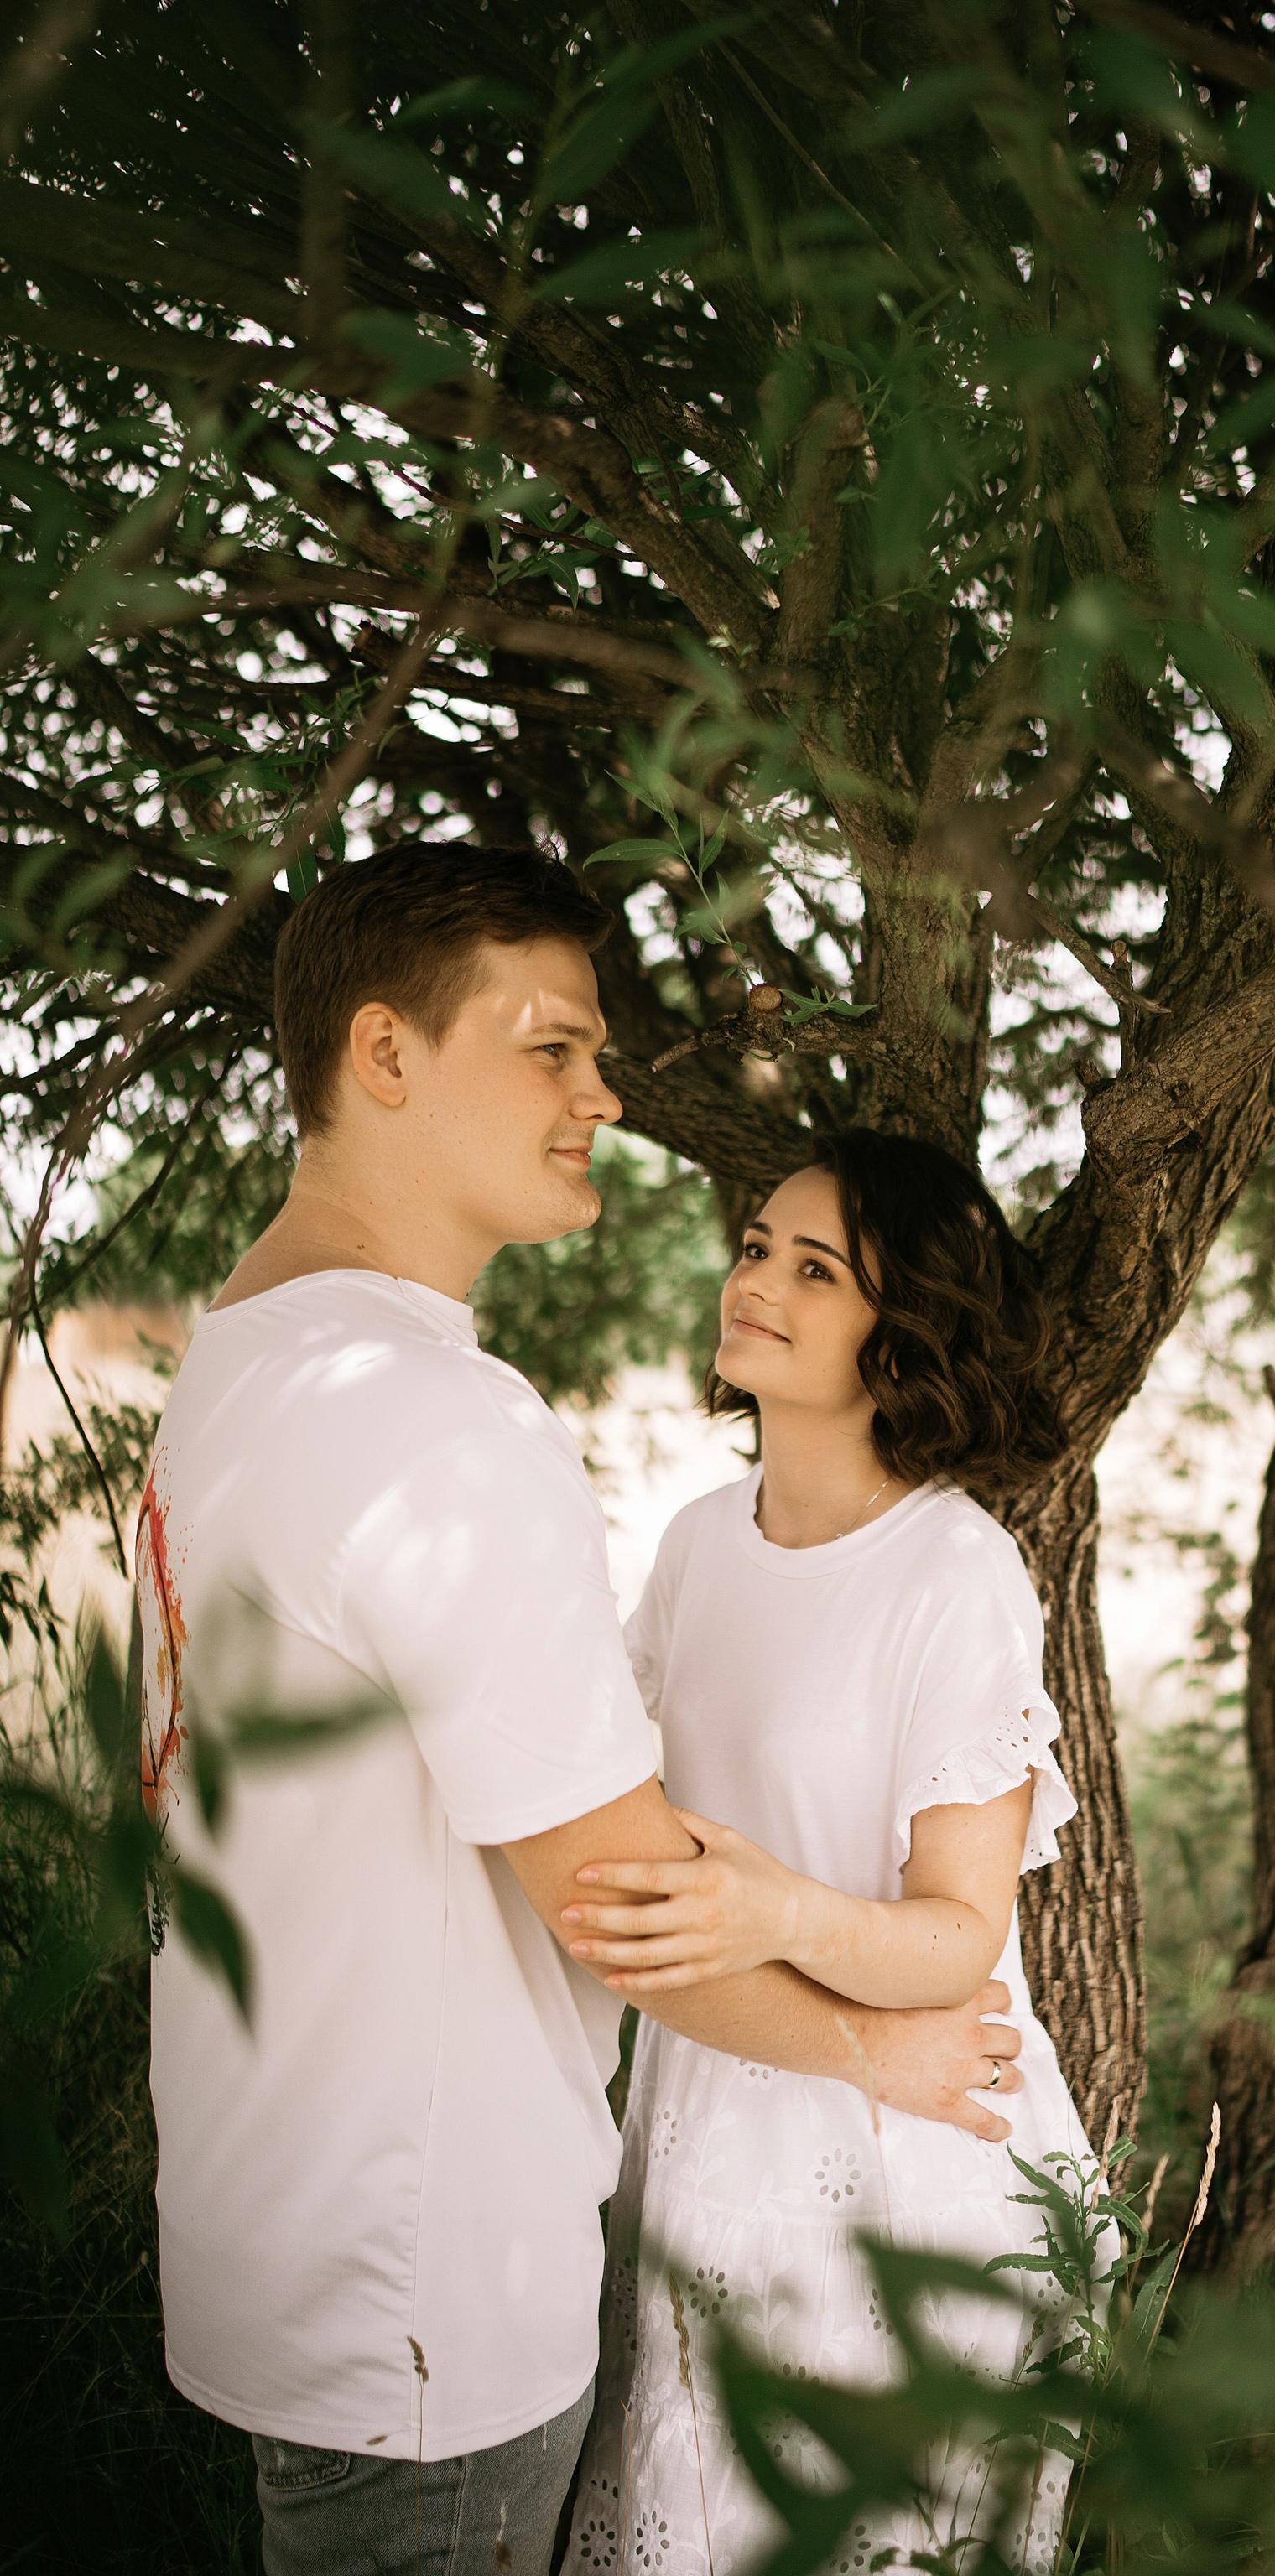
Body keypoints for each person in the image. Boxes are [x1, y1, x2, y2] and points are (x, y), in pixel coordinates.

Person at [135, 845, 1026, 2576]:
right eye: (552, 1047)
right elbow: (625, 1901)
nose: (602, 1098)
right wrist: (872, 2051)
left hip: (283, 2220)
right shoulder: (437, 1422)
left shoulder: (242, 1357)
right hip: (422, 2290)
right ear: (385, 1055)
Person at [565, 1130, 1101, 2576]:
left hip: (891, 2141)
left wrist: (772, 1908)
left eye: (816, 1267)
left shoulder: (955, 1569)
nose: (759, 1282)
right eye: (754, 1247)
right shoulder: (694, 1548)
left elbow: (957, 1935)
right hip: (709, 2099)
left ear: (902, 1330)